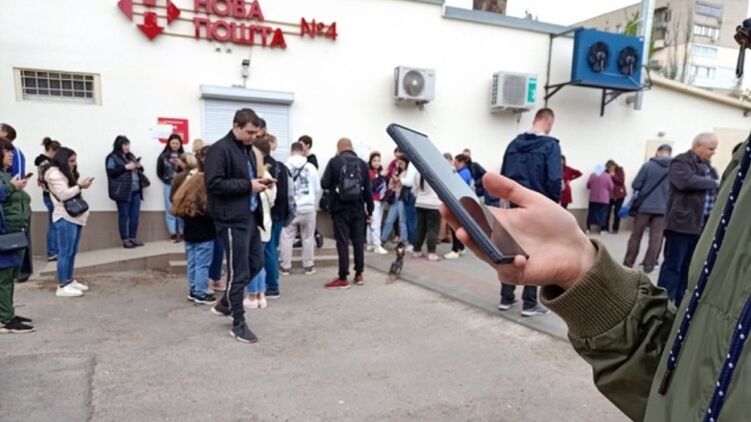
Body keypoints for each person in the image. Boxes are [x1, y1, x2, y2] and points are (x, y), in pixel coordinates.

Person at [440, 132, 751, 421]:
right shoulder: (742, 164)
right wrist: (583, 268)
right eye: (710, 148)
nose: (713, 153)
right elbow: (692, 376)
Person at [204, 108, 269, 344]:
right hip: (231, 218)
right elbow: (214, 184)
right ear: (236, 126)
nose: (254, 137)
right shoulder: (219, 149)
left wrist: (260, 182)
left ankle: (226, 303)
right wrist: (249, 185)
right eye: (250, 132)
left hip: (249, 216)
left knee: (256, 263)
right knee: (238, 271)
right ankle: (238, 323)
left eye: (256, 133)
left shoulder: (246, 149)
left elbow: (245, 179)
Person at [498, 108, 561, 317]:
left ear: (535, 120)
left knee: (511, 251)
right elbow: (554, 179)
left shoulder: (513, 144)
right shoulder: (550, 146)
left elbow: (503, 176)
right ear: (549, 122)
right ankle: (530, 303)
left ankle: (506, 297)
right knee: (533, 253)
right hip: (537, 206)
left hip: (513, 205)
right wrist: (554, 204)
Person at [659, 133, 719, 306]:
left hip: (700, 226)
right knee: (673, 265)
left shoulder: (708, 167)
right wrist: (713, 183)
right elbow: (685, 181)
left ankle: (680, 303)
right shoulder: (681, 161)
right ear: (698, 146)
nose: (713, 152)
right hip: (681, 224)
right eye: (711, 149)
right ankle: (663, 301)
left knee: (689, 266)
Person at [320, 138, 373, 289]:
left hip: (339, 209)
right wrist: (370, 210)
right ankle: (359, 274)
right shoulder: (362, 164)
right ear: (352, 147)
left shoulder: (334, 162)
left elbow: (324, 183)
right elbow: (368, 189)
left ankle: (343, 277)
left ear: (339, 148)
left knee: (342, 242)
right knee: (358, 242)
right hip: (358, 209)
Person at [45, 147, 93, 298]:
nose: (74, 164)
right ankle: (62, 285)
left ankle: (69, 280)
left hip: (74, 216)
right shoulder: (54, 174)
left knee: (72, 251)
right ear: (63, 160)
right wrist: (80, 186)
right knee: (65, 252)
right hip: (64, 216)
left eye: (75, 161)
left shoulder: (64, 172)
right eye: (71, 161)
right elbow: (63, 194)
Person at [171, 146, 216, 305]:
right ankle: (201, 292)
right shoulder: (207, 184)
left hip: (189, 231)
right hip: (205, 232)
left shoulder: (190, 181)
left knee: (192, 262)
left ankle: (193, 289)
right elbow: (209, 211)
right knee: (203, 264)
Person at [0, 138, 34, 333]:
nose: (11, 155)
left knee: (10, 274)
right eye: (7, 151)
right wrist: (12, 187)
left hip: (15, 231)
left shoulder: (7, 175)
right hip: (4, 232)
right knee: (4, 276)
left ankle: (8, 312)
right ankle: (4, 319)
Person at [623, 144, 672, 274]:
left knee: (636, 236)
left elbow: (636, 184)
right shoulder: (673, 168)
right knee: (656, 237)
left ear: (658, 152)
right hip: (663, 208)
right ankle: (649, 266)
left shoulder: (648, 166)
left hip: (644, 207)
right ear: (669, 153)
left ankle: (628, 263)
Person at [244, 136, 277, 309]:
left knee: (251, 260)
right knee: (260, 260)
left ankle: (252, 295)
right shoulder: (267, 174)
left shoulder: (251, 174)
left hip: (254, 221)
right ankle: (261, 294)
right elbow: (272, 200)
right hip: (265, 221)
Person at [280, 141, 320, 275]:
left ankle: (285, 266)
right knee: (308, 237)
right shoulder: (311, 167)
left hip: (291, 207)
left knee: (287, 237)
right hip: (308, 206)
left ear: (291, 151)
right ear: (303, 151)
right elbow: (317, 188)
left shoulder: (284, 166)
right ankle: (308, 266)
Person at [1, 123, 32, 282]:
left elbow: (18, 179)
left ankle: (22, 271)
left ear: (5, 133)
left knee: (17, 244)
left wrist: (14, 186)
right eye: (7, 153)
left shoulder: (16, 152)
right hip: (8, 214)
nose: (10, 155)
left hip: (14, 212)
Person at [264, 135, 292, 299]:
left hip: (269, 213)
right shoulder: (281, 166)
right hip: (280, 213)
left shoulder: (263, 167)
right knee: (272, 248)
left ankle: (271, 285)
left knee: (268, 249)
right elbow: (288, 192)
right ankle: (271, 283)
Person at [106, 136, 146, 249]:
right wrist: (125, 167)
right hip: (123, 191)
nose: (127, 147)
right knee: (124, 216)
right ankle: (125, 239)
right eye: (125, 145)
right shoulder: (112, 157)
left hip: (136, 189)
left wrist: (139, 167)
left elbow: (139, 170)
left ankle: (133, 238)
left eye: (128, 144)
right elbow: (111, 172)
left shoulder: (131, 156)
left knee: (135, 216)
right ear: (119, 145)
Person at [34, 137, 61, 262]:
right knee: (54, 224)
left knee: (54, 223)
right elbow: (48, 181)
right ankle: (52, 252)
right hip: (51, 195)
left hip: (49, 195)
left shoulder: (44, 162)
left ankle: (54, 250)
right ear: (51, 150)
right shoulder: (46, 164)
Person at [157, 134, 186, 242]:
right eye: (173, 143)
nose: (175, 145)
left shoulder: (183, 156)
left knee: (181, 209)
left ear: (180, 144)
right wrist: (167, 179)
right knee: (170, 209)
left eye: (177, 143)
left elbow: (189, 170)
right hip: (168, 185)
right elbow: (159, 172)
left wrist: (181, 165)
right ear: (169, 143)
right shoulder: (162, 156)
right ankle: (173, 234)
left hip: (181, 186)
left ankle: (183, 232)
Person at [444, 154, 473, 260]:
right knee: (458, 226)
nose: (454, 164)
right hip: (461, 202)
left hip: (458, 203)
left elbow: (456, 186)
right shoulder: (464, 172)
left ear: (461, 163)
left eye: (455, 162)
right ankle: (461, 247)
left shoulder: (463, 173)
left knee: (455, 226)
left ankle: (455, 250)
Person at [380, 155, 412, 247]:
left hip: (403, 198)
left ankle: (403, 241)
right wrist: (393, 181)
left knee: (402, 221)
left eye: (402, 163)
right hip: (396, 197)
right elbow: (391, 186)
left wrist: (399, 180)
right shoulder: (397, 171)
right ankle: (383, 239)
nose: (400, 165)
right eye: (399, 163)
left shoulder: (408, 173)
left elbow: (409, 184)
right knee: (389, 220)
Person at [412, 169, 441, 261]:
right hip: (434, 204)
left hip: (420, 202)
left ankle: (416, 250)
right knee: (433, 229)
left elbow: (414, 189)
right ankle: (431, 253)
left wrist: (419, 197)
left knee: (420, 228)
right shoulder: (436, 172)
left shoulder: (417, 172)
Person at [366, 152, 388, 255]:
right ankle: (377, 245)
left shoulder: (377, 172)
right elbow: (372, 186)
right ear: (370, 161)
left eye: (378, 160)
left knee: (372, 222)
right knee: (375, 223)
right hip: (372, 200)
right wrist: (380, 177)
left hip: (379, 200)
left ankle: (370, 243)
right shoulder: (369, 172)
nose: (377, 163)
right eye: (374, 160)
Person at [586, 166, 614, 233]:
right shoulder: (607, 176)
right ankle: (602, 229)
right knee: (603, 214)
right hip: (603, 199)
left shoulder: (592, 175)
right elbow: (611, 187)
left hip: (593, 198)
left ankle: (588, 228)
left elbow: (588, 186)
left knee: (591, 213)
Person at [606, 160, 627, 234]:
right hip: (610, 195)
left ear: (614, 165)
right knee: (607, 211)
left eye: (611, 167)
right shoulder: (606, 172)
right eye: (608, 168)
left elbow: (621, 181)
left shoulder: (620, 170)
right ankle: (606, 228)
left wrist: (613, 176)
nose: (610, 169)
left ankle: (615, 229)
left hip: (619, 195)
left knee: (617, 212)